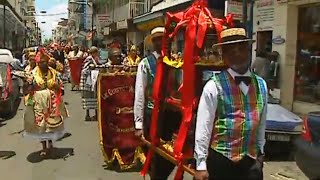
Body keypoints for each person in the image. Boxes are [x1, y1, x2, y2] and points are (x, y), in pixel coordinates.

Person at [194, 28, 267, 180]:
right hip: (222, 160)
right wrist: (201, 165)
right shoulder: (213, 86)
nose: (237, 54)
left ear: (248, 50)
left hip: (251, 161)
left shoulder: (261, 84)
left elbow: (261, 122)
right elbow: (203, 127)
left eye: (241, 48)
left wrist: (260, 151)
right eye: (231, 51)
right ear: (224, 56)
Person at [134, 27, 179, 179]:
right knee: (154, 157)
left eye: (164, 39)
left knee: (171, 155)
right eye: (158, 39)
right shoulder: (145, 64)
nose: (161, 42)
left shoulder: (175, 62)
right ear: (153, 43)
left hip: (171, 115)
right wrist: (139, 124)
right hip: (151, 116)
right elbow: (140, 94)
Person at [23, 48, 69, 157]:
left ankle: (51, 143)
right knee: (41, 124)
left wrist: (56, 87)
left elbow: (61, 88)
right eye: (40, 63)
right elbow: (26, 90)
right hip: (38, 100)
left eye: (44, 62)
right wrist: (29, 85)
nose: (42, 64)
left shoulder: (53, 73)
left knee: (52, 123)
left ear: (47, 62)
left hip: (52, 101)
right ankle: (44, 146)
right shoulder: (32, 74)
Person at [80, 46, 100, 121]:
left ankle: (96, 114)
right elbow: (84, 70)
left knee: (95, 97)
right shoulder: (89, 59)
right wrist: (92, 68)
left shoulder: (95, 59)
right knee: (88, 97)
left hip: (92, 81)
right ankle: (87, 114)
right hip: (87, 82)